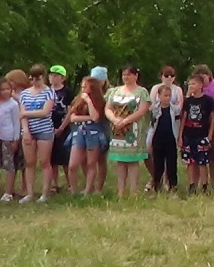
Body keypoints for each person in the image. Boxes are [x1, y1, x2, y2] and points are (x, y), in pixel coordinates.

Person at [104, 67, 151, 198]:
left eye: (129, 74)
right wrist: (114, 119)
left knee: (132, 161)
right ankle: (120, 191)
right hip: (117, 131)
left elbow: (142, 110)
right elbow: (108, 108)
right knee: (120, 161)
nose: (126, 77)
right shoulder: (115, 91)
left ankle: (133, 191)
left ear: (136, 76)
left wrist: (126, 121)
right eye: (124, 75)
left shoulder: (142, 92)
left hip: (133, 132)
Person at [19, 64, 56, 203]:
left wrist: (26, 113)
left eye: (38, 79)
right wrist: (26, 131)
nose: (35, 82)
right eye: (32, 79)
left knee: (44, 161)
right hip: (29, 130)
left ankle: (45, 193)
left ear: (43, 77)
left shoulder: (49, 92)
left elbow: (45, 112)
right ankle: (29, 193)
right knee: (29, 162)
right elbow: (22, 115)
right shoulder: (24, 94)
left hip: (44, 130)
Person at [66, 77, 108, 195]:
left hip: (93, 133)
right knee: (73, 165)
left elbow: (96, 116)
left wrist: (89, 102)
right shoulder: (78, 99)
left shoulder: (100, 101)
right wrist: (88, 118)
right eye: (82, 86)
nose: (83, 89)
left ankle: (88, 191)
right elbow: (73, 118)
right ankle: (73, 191)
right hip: (79, 131)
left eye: (85, 87)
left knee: (91, 163)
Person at [146, 66, 183, 192]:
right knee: (158, 163)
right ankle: (156, 184)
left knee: (172, 163)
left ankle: (172, 186)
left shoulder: (175, 108)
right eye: (165, 96)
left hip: (171, 136)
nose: (167, 98)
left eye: (169, 96)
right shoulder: (155, 109)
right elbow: (150, 109)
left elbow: (181, 108)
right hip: (157, 137)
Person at [179, 75, 214, 195]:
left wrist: (210, 134)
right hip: (188, 135)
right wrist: (180, 135)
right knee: (190, 162)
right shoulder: (188, 101)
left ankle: (204, 186)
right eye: (189, 84)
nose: (191, 86)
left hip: (202, 135)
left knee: (202, 162)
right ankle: (192, 185)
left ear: (201, 85)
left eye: (193, 84)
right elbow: (184, 118)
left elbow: (213, 117)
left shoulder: (208, 100)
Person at [0, 78, 20, 201]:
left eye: (8, 89)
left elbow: (16, 122)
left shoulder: (13, 104)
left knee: (9, 164)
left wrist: (15, 139)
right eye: (3, 89)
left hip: (8, 137)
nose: (6, 91)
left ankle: (8, 192)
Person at [48, 65, 73, 194]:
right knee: (51, 158)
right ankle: (54, 184)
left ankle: (70, 183)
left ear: (63, 78)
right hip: (48, 126)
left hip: (63, 127)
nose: (53, 78)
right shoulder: (46, 91)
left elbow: (70, 111)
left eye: (56, 75)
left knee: (65, 158)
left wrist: (62, 127)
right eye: (51, 75)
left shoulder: (67, 92)